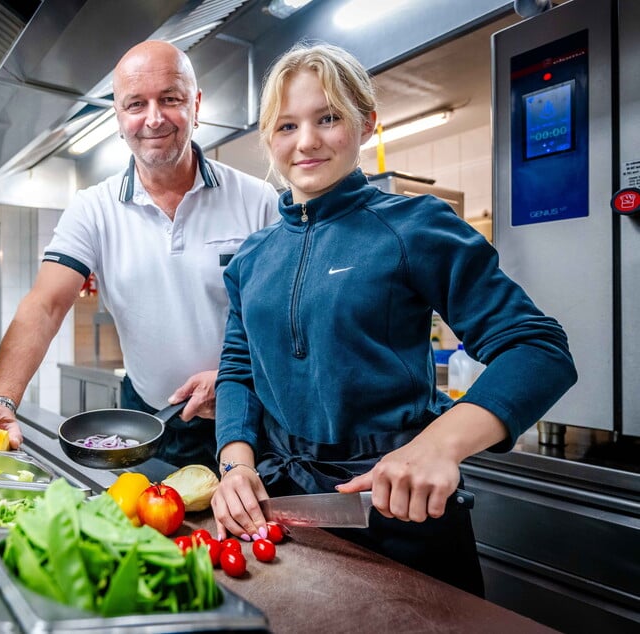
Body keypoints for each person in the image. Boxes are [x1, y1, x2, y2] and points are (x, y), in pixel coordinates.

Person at [210, 42, 577, 595]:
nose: (306, 142)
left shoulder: (415, 226)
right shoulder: (252, 257)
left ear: (365, 123)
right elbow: (238, 369)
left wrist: (437, 446)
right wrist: (236, 466)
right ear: (269, 139)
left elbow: (538, 350)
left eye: (328, 118)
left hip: (397, 506)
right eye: (286, 126)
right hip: (283, 508)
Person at [0, 40, 279, 472]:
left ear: (196, 105)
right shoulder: (94, 207)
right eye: (135, 104)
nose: (154, 118)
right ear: (118, 117)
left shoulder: (257, 200)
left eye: (170, 99)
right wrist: (0, 399)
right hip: (155, 421)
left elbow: (283, 319)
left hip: (254, 413)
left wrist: (239, 377)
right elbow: (46, 305)